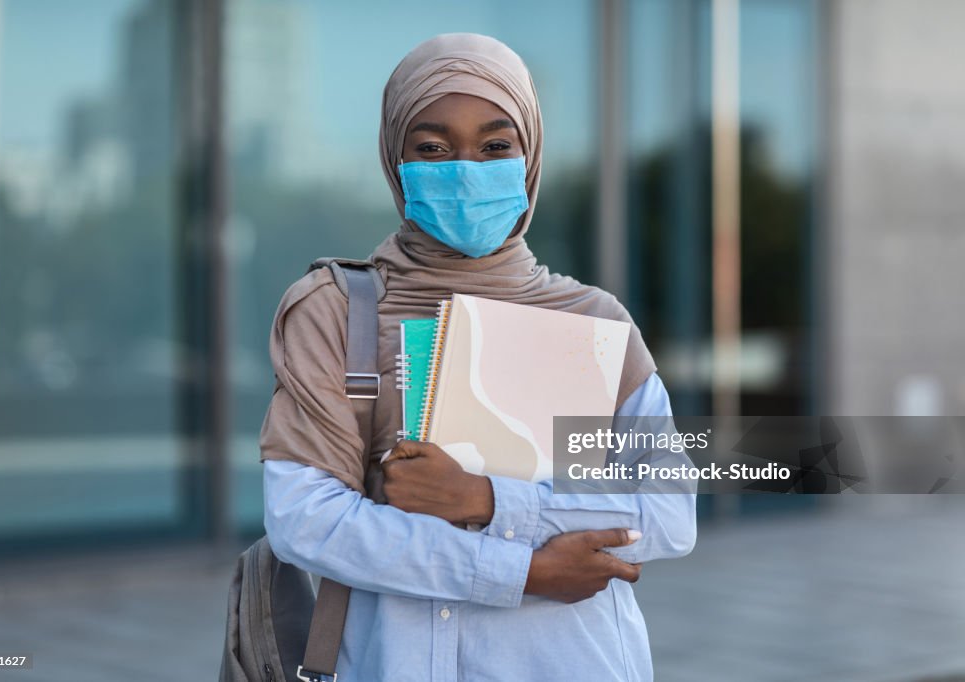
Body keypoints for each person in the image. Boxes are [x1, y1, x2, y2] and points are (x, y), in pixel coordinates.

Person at [261, 33, 697, 682]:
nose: (466, 169)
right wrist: (526, 570)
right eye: (433, 148)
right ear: (393, 159)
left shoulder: (593, 322)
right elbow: (305, 519)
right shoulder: (335, 308)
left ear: (529, 158)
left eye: (496, 146)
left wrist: (487, 501)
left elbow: (668, 511)